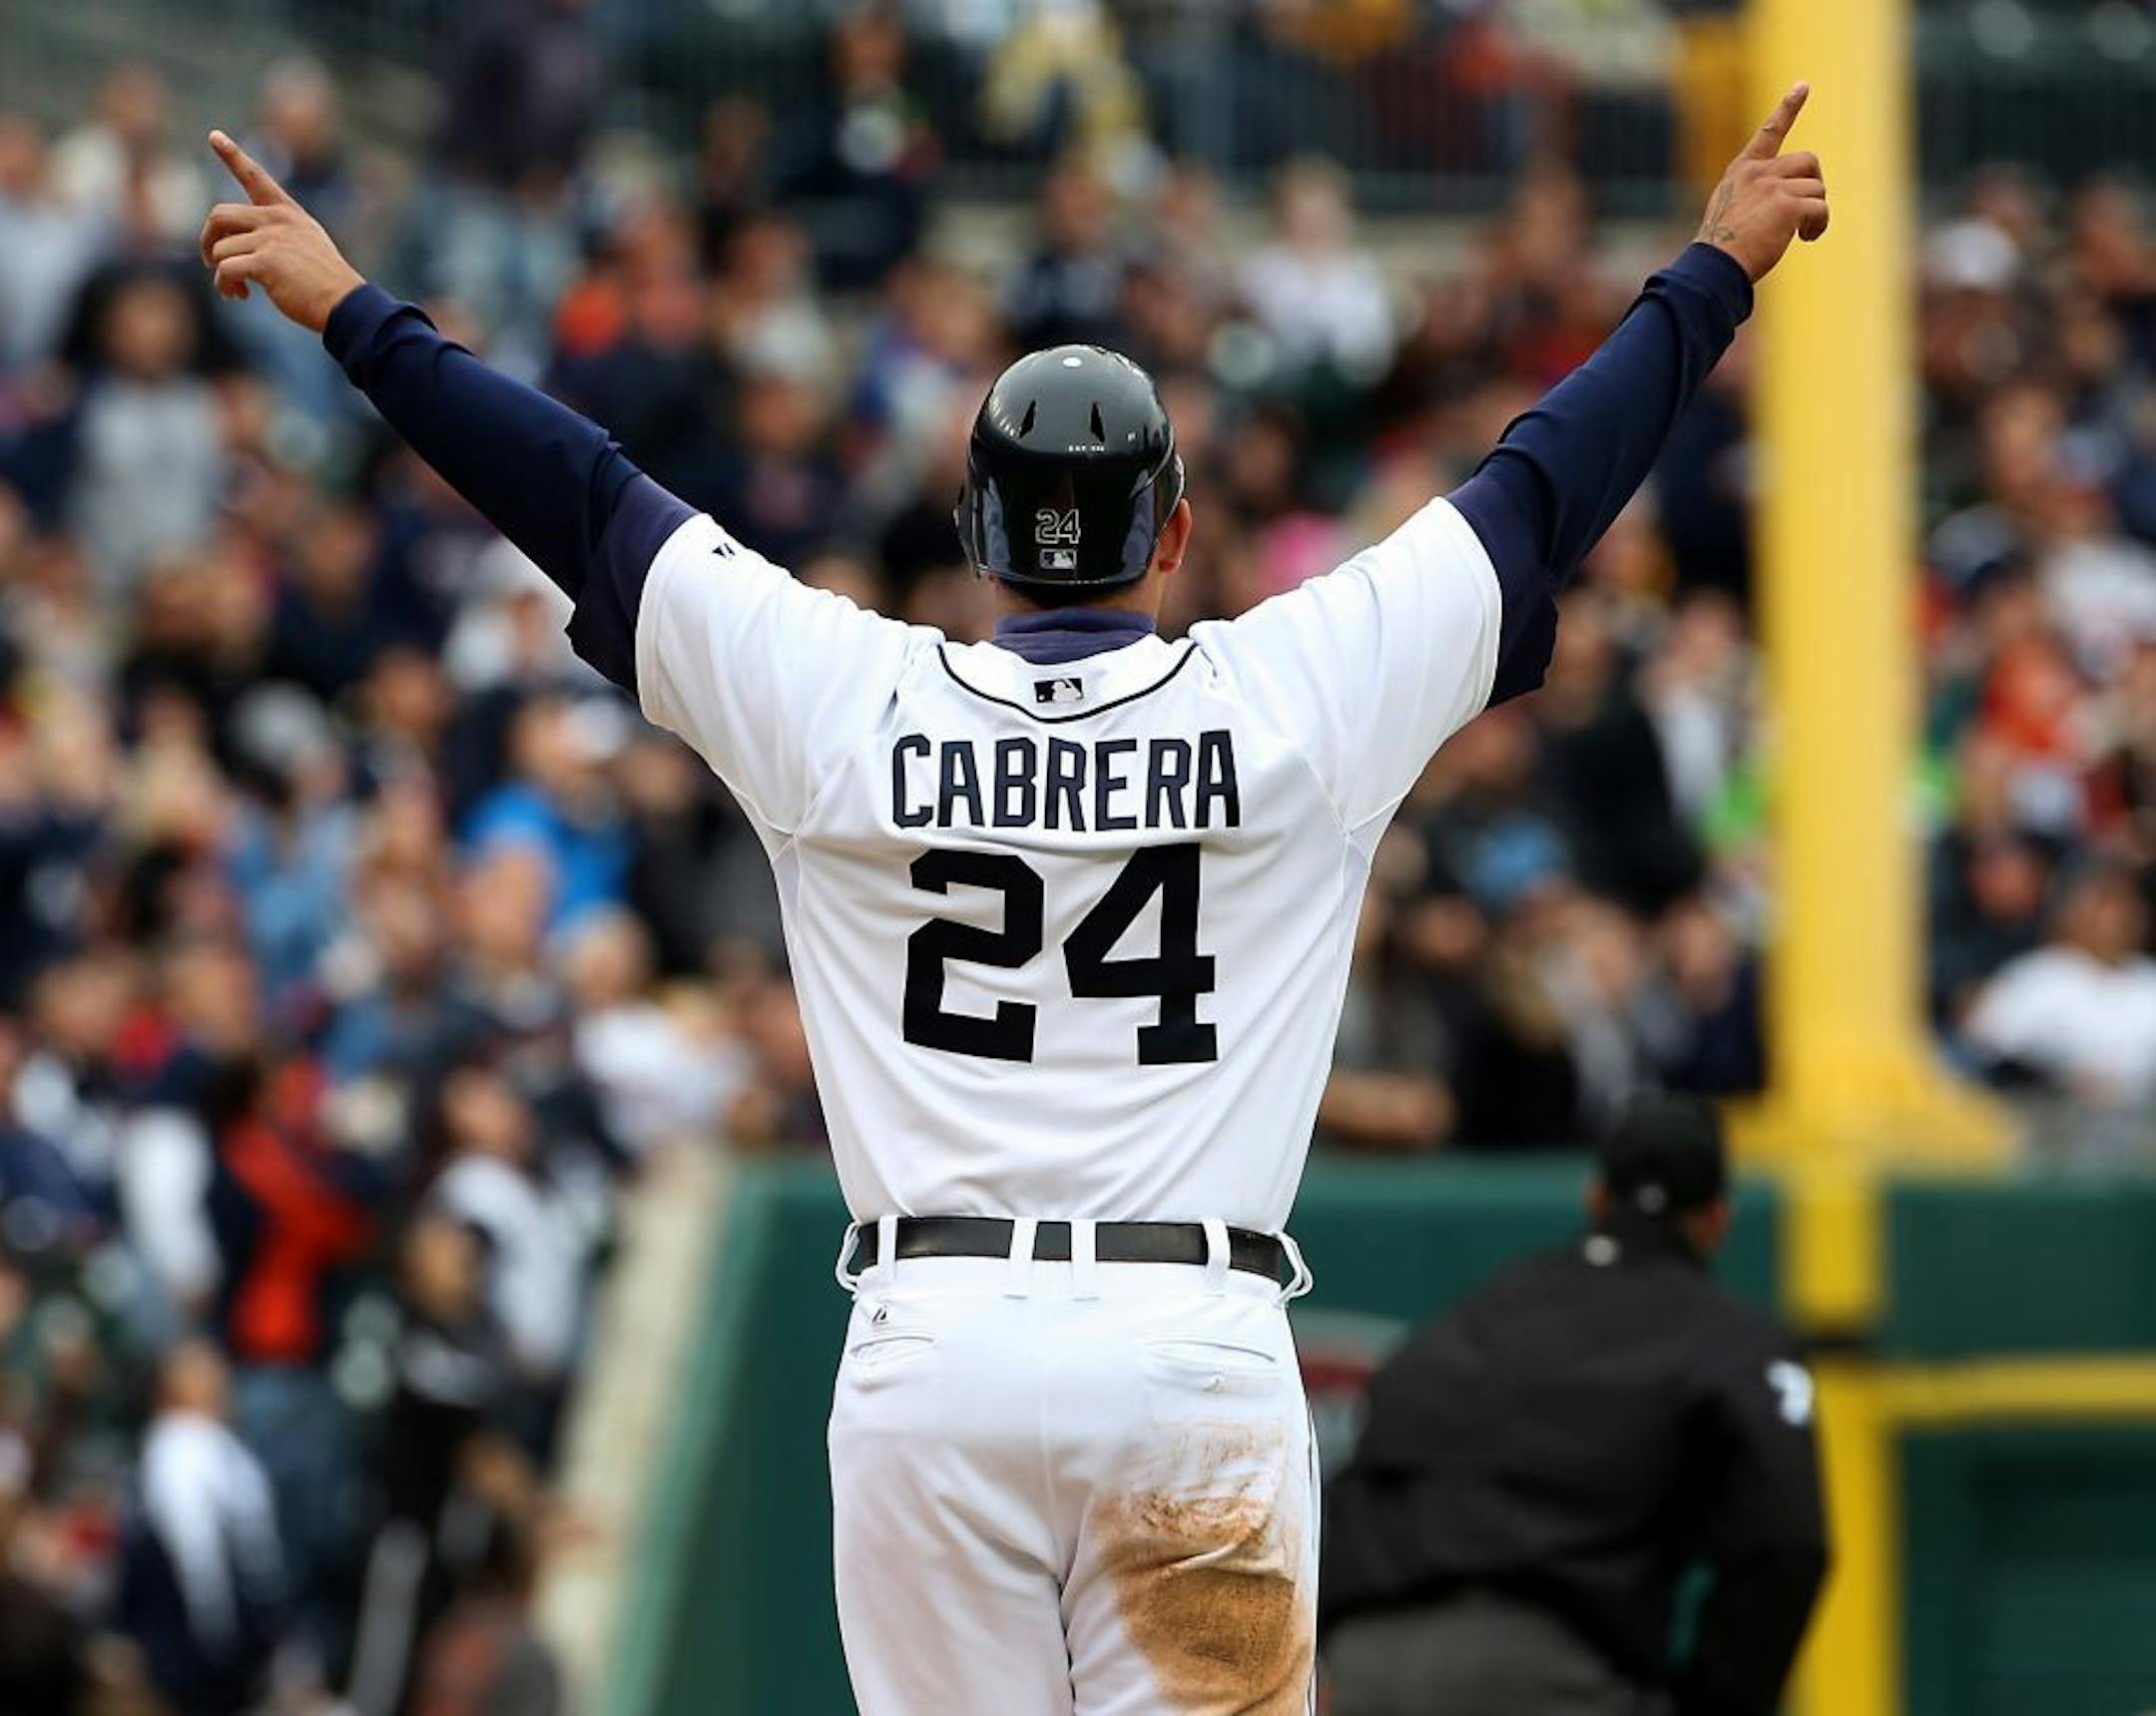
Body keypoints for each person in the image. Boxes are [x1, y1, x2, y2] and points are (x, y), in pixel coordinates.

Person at [197, 86, 1829, 1714]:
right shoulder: (1296, 697)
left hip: (933, 1343)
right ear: (1176, 529)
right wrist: (1713, 271)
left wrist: (354, 310)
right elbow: (1544, 486)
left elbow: (579, 495)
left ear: (978, 531)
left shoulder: (845, 699)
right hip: (1190, 1349)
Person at [1321, 1096, 1829, 1716]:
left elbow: (1361, 1466)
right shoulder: (1732, 1336)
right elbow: (1789, 1544)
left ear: (1595, 1198)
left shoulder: (1484, 1308)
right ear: (1717, 1219)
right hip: (1546, 1668)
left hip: (1363, 1662)